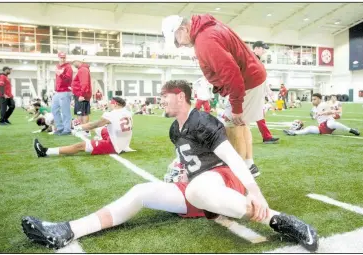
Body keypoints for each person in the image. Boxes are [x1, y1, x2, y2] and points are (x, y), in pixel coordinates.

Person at [22, 81, 318, 252]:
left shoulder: (203, 120)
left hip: (221, 180)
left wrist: (255, 192)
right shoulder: (175, 131)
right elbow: (187, 163)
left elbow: (232, 158)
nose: (160, 100)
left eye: (165, 96)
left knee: (199, 187)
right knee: (141, 190)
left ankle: (285, 222)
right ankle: (67, 230)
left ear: (180, 96)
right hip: (196, 188)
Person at [161, 14, 267, 176]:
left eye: (177, 40)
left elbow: (231, 73)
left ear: (182, 29)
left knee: (232, 126)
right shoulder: (208, 28)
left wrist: (237, 104)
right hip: (252, 77)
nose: (179, 45)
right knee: (241, 124)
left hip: (246, 82)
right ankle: (248, 165)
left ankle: (238, 174)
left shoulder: (205, 40)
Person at [33, 97, 133, 157]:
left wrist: (78, 127)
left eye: (111, 102)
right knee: (102, 129)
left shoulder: (112, 114)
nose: (109, 103)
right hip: (123, 142)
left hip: (114, 145)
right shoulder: (128, 112)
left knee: (80, 146)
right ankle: (98, 137)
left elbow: (93, 124)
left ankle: (45, 151)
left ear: (115, 103)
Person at [283, 93, 360, 136]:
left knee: (331, 124)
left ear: (319, 99)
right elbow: (314, 117)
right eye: (312, 99)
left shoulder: (324, 104)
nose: (313, 101)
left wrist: (322, 113)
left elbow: (331, 111)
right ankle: (293, 132)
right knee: (309, 128)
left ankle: (351, 130)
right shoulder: (313, 108)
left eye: (315, 99)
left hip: (328, 123)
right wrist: (314, 116)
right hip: (322, 127)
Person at [52, 52, 73, 135]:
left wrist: (60, 75)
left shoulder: (68, 67)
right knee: (54, 110)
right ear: (58, 58)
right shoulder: (57, 66)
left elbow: (68, 80)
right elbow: (57, 80)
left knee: (65, 112)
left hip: (65, 91)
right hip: (57, 92)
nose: (63, 59)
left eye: (64, 57)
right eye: (61, 57)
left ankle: (67, 129)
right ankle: (60, 128)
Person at [72, 59, 92, 136]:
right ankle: (84, 130)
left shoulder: (83, 69)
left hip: (82, 95)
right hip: (81, 94)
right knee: (82, 113)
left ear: (79, 61)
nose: (73, 64)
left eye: (74, 62)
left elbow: (84, 83)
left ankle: (85, 131)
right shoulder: (83, 69)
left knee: (82, 113)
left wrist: (82, 95)